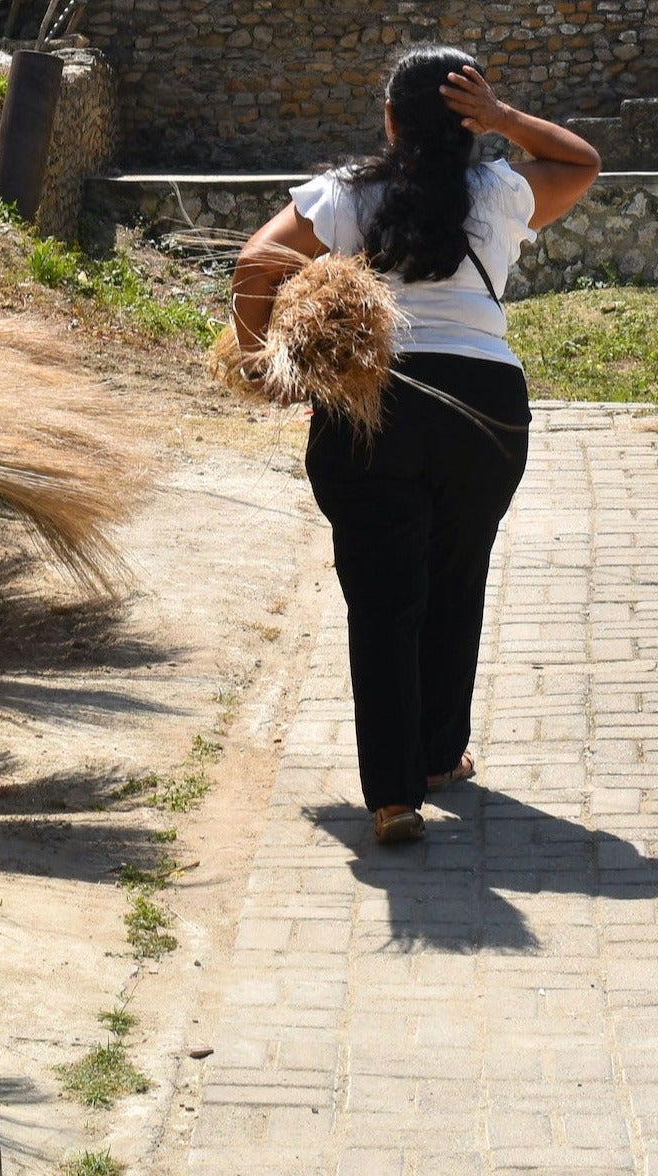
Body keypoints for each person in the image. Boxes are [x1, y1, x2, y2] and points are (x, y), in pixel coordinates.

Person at [230, 46, 600, 846]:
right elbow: (580, 161)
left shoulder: (344, 196)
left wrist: (269, 366)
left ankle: (394, 798)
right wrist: (502, 120)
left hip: (374, 407)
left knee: (384, 601)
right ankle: (438, 756)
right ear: (469, 122)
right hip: (486, 409)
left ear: (389, 120)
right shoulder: (501, 189)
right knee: (456, 580)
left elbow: (255, 262)